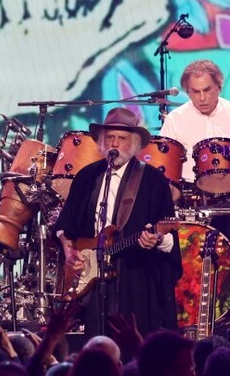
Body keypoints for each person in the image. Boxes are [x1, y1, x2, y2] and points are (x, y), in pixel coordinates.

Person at [54, 107, 182, 338]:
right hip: (94, 274)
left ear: (134, 144)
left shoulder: (153, 180)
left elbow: (169, 239)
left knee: (135, 339)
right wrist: (68, 247)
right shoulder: (87, 176)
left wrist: (157, 239)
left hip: (136, 277)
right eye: (110, 138)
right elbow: (65, 224)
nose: (115, 144)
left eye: (121, 139)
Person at [160, 59, 230, 185]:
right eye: (196, 92)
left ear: (219, 88)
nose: (202, 98)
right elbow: (163, 164)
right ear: (188, 92)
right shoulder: (174, 119)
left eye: (207, 90)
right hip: (189, 192)